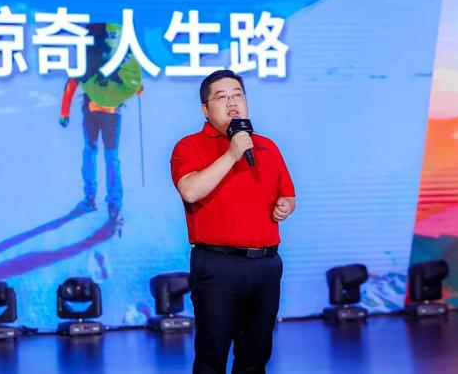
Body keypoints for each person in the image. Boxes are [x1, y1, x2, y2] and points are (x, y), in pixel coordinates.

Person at [170, 70, 296, 373]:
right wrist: (231, 154)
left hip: (266, 265)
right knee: (212, 356)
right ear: (205, 109)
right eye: (222, 97)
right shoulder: (189, 146)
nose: (232, 102)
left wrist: (286, 206)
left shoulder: (267, 146)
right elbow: (190, 191)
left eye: (238, 95)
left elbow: (288, 195)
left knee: (256, 355)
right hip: (218, 266)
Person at [59, 23, 143, 222]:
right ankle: (114, 203)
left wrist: (64, 113)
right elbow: (137, 88)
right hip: (112, 115)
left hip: (90, 112)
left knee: (90, 152)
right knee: (112, 157)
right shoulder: (119, 58)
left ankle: (90, 197)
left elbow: (72, 84)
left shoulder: (90, 58)